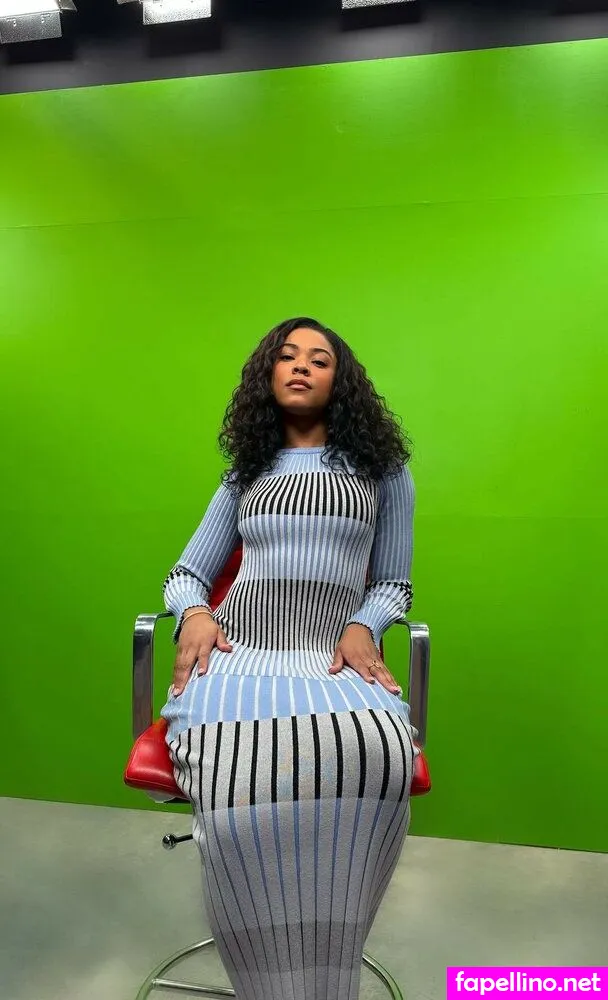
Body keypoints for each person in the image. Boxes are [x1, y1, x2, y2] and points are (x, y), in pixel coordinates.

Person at [160, 317, 417, 1000]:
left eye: (319, 359)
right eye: (287, 355)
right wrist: (195, 614)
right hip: (240, 656)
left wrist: (364, 624)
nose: (301, 365)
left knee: (379, 754)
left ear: (341, 382)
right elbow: (185, 575)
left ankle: (328, 971)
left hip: (330, 661)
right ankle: (264, 980)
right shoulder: (244, 475)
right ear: (268, 375)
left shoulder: (384, 473)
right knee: (236, 781)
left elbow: (394, 583)